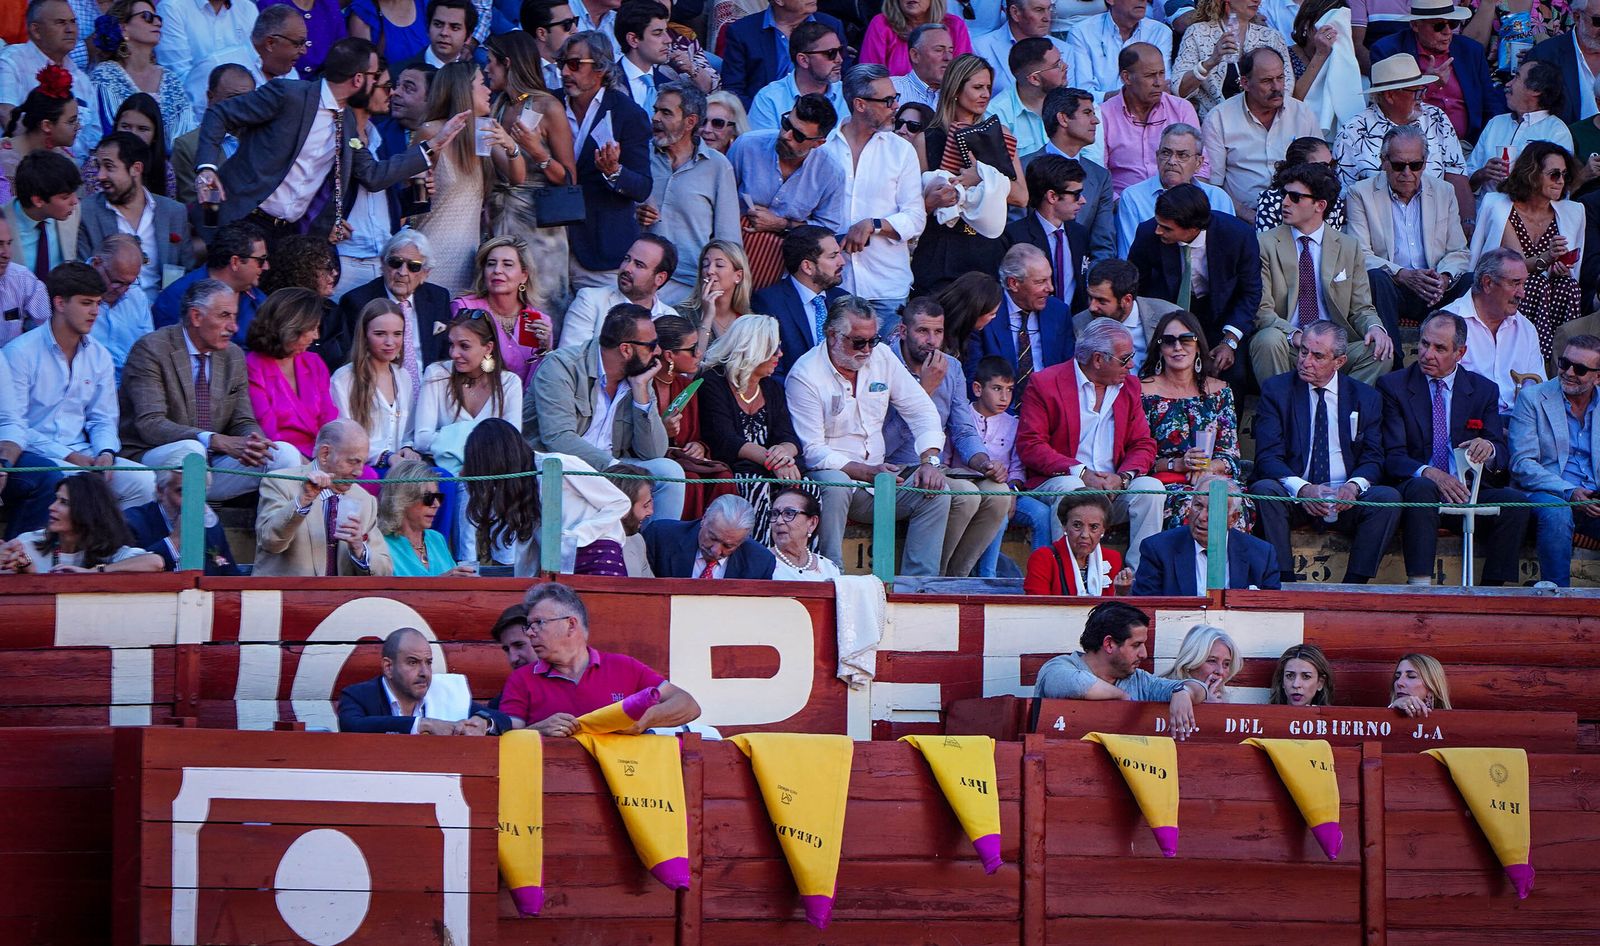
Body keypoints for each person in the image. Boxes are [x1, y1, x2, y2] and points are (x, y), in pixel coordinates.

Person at [193, 37, 467, 243]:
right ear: (358, 79)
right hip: (243, 218)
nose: (389, 89)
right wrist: (207, 167)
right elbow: (219, 114)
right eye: (376, 78)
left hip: (289, 235)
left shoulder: (346, 120)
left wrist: (433, 144)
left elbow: (372, 175)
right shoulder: (288, 94)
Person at [785, 295, 954, 575]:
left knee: (937, 491)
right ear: (832, 336)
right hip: (836, 477)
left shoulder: (882, 356)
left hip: (879, 478)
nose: (867, 349)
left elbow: (921, 409)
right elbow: (812, 450)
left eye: (873, 340)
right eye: (858, 342)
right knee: (836, 483)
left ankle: (919, 584)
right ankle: (831, 574)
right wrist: (862, 471)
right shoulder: (805, 375)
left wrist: (930, 461)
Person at [1378, 311, 1533, 586]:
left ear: (1460, 352)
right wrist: (1433, 474)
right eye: (1425, 344)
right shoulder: (1394, 386)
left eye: (1440, 348)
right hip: (1419, 489)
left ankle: (1493, 593)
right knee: (1423, 487)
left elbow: (1501, 450)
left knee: (1515, 504)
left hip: (1468, 490)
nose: (1428, 354)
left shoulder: (1483, 390)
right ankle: (1420, 585)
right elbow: (1393, 456)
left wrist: (1489, 448)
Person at [120, 279, 302, 500]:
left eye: (235, 316)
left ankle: (275, 532)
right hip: (152, 459)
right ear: (196, 317)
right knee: (191, 451)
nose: (234, 327)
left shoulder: (232, 355)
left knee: (283, 455)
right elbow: (150, 424)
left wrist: (252, 441)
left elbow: (242, 420)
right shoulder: (151, 349)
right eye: (224, 316)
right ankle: (193, 529)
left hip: (212, 463)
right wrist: (212, 439)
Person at [1252, 319, 1403, 585]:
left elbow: (1373, 457)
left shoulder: (1365, 397)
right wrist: (1303, 489)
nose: (1306, 361)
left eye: (1318, 356)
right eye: (1303, 352)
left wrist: (1354, 487)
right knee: (1265, 489)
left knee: (1388, 497)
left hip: (1347, 499)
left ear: (1340, 361)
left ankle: (1354, 586)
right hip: (1296, 496)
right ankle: (1283, 581)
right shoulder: (1276, 391)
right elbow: (1267, 457)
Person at [2, 261, 154, 507]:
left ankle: (117, 545)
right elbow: (15, 426)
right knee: (78, 481)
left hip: (86, 453)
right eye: (86, 303)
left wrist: (105, 452)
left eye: (97, 303)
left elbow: (103, 418)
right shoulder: (19, 353)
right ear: (60, 303)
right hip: (39, 456)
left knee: (143, 481)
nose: (95, 312)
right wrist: (68, 456)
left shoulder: (99, 355)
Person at [1016, 319, 1165, 566]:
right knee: (1071, 488)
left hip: (1114, 488)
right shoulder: (1045, 383)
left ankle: (1139, 579)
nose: (1131, 365)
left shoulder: (1129, 386)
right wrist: (1082, 473)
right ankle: (1067, 575)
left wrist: (1124, 478)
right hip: (1062, 481)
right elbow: (1030, 445)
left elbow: (1143, 443)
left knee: (1151, 490)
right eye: (1125, 358)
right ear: (1097, 359)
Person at [525, 303, 686, 519]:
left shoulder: (639, 375)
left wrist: (640, 393)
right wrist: (616, 469)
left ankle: (654, 546)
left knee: (670, 473)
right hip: (562, 468)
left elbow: (653, 452)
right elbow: (558, 438)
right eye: (652, 345)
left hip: (613, 465)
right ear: (626, 349)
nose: (657, 351)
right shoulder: (562, 366)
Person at [889, 298, 1012, 576]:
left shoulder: (952, 367)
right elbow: (883, 440)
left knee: (999, 494)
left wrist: (983, 462)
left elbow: (963, 428)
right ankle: (935, 579)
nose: (931, 341)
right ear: (902, 331)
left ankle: (956, 576)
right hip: (894, 467)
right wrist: (924, 390)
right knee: (967, 495)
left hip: (936, 467)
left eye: (938, 332)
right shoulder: (885, 363)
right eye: (922, 331)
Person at [1252, 162, 1392, 386]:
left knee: (1380, 349)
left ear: (1320, 205)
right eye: (1284, 194)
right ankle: (1283, 411)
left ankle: (1340, 410)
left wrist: (1375, 327)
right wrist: (1297, 336)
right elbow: (1262, 311)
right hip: (1290, 343)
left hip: (1332, 347)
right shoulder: (1264, 244)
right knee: (1268, 340)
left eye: (1295, 197)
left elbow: (1361, 308)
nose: (1285, 202)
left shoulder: (1349, 247)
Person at [498, 582, 702, 734]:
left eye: (538, 623)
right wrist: (538, 731)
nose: (531, 633)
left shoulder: (624, 667)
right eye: (529, 626)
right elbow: (508, 736)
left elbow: (688, 704)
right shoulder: (521, 679)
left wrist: (643, 720)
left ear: (570, 624)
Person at [820, 64, 928, 336]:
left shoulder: (901, 150)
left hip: (886, 289)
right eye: (888, 101)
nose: (895, 107)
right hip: (831, 286)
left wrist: (874, 224)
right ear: (860, 104)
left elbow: (916, 217)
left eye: (895, 99)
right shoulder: (823, 147)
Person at [1347, 125, 1473, 353]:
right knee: (1376, 278)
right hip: (1392, 286)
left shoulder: (1443, 191)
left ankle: (1461, 365)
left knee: (1471, 281)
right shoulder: (1360, 193)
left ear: (1424, 163)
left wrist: (1443, 278)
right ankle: (1391, 365)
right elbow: (1359, 254)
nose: (1407, 173)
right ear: (1383, 161)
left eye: (1415, 165)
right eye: (1398, 165)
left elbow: (1458, 251)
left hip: (1433, 287)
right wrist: (1402, 274)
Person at [912, 55, 1025, 296]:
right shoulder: (926, 139)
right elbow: (915, 202)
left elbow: (1021, 197)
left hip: (986, 247)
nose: (985, 94)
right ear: (955, 89)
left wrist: (982, 178)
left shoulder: (1000, 135)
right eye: (977, 87)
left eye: (988, 88)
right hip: (939, 251)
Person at [461, 417, 631, 575]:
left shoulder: (559, 463)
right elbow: (530, 547)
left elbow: (619, 502)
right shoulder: (518, 486)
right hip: (556, 568)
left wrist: (575, 537)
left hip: (597, 556)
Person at [483, 31, 577, 313]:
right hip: (499, 217)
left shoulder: (548, 107)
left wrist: (538, 152)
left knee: (542, 304)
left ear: (508, 63)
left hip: (540, 226)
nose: (486, 69)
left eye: (491, 62)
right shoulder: (497, 106)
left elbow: (570, 179)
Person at [1127, 184, 1260, 384]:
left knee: (1233, 373)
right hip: (1165, 316)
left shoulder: (1238, 236)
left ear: (1193, 228)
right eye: (1158, 223)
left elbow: (1250, 292)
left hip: (1221, 316)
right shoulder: (1148, 234)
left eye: (1167, 228)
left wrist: (1229, 341)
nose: (1158, 231)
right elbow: (1136, 285)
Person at [1468, 141, 1585, 361]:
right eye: (1553, 174)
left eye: (1564, 175)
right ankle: (1530, 359)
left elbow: (1574, 271)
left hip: (1551, 291)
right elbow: (1515, 266)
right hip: (1504, 285)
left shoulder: (1574, 211)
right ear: (1532, 174)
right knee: (1533, 283)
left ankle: (1565, 361)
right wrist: (1547, 258)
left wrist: (1561, 269)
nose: (1560, 181)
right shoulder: (1500, 207)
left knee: (1569, 287)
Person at [1032, 601, 1208, 740]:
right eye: (1136, 645)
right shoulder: (1058, 667)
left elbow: (1199, 689)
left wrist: (1183, 691)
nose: (1144, 654)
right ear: (1109, 644)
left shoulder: (1140, 680)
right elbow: (1076, 684)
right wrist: (1121, 696)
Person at [558, 31, 652, 290]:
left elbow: (642, 186)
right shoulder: (548, 104)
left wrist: (614, 172)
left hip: (601, 252)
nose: (565, 72)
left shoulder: (628, 114)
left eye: (575, 64)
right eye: (562, 64)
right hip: (549, 243)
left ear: (600, 68)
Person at [409, 62, 515, 293]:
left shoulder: (481, 132)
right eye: (481, 84)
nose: (489, 90)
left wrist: (511, 146)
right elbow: (411, 198)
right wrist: (421, 187)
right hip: (432, 251)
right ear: (462, 90)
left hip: (468, 259)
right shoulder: (430, 131)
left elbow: (516, 176)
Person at [1139, 309, 1248, 528]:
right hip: (1167, 485)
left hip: (1212, 480)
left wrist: (1207, 469)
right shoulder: (1142, 392)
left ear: (1198, 345)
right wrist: (1179, 464)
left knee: (1236, 506)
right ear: (1159, 349)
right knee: (1190, 506)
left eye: (1186, 339)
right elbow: (1138, 457)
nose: (1178, 347)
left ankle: (1227, 563)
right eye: (1168, 341)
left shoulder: (1221, 391)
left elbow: (1231, 456)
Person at [697, 313, 804, 530]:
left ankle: (798, 559)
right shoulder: (713, 382)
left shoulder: (771, 387)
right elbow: (725, 440)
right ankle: (759, 558)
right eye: (774, 349)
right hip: (736, 469)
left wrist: (784, 454)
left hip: (770, 468)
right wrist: (773, 461)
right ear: (753, 349)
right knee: (755, 485)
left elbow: (788, 436)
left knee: (807, 488)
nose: (780, 355)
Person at [727, 96, 847, 289]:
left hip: (782, 269)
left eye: (798, 135)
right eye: (786, 124)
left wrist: (781, 224)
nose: (785, 135)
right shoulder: (747, 146)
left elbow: (826, 229)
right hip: (732, 253)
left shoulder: (831, 172)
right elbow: (720, 201)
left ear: (818, 143)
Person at [1511, 334, 1600, 587]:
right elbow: (1522, 464)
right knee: (1557, 512)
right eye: (1564, 364)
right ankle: (1558, 598)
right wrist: (1570, 491)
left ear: (1598, 376)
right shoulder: (1532, 399)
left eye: (1580, 369)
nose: (1569, 372)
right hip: (1547, 492)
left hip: (1593, 496)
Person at [253, 418, 394, 576]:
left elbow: (384, 570)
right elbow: (270, 542)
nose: (359, 472)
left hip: (341, 600)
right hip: (284, 598)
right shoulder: (280, 482)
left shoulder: (365, 500)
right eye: (353, 462)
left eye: (362, 463)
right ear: (325, 454)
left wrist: (360, 549)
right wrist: (302, 502)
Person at [1331, 53, 1469, 210]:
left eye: (1423, 89)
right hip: (1377, 222)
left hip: (1435, 216)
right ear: (1390, 95)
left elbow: (1456, 173)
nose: (1423, 97)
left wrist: (1466, 221)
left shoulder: (1436, 118)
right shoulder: (1352, 133)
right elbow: (1342, 195)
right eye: (1416, 92)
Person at [1199, 48, 1320, 223]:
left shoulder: (1302, 114)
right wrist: (1247, 214)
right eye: (1267, 81)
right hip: (1242, 218)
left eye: (1280, 78)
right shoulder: (1219, 119)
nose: (1277, 87)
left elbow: (1320, 171)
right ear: (1245, 83)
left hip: (1299, 215)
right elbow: (1213, 186)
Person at [331, 229, 454, 396]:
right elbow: (352, 358)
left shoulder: (439, 298)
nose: (403, 272)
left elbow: (446, 354)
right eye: (395, 262)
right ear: (382, 263)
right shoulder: (357, 302)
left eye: (413, 266)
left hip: (431, 392)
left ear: (425, 273)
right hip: (377, 393)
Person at [1369, 0, 1502, 145]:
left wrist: (1490, 145)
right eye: (1439, 26)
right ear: (1415, 25)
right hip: (1411, 147)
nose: (1448, 31)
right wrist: (1428, 85)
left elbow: (1491, 104)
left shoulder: (1470, 51)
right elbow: (1389, 106)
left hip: (1468, 145)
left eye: (1452, 24)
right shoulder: (1389, 50)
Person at [336, 627, 507, 735]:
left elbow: (502, 719)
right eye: (413, 662)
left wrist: (485, 722)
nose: (425, 672)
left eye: (428, 662)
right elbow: (352, 725)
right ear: (388, 667)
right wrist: (422, 725)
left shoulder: (444, 691)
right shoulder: (358, 696)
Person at [1131, 473, 1281, 593]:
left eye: (1213, 509)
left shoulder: (1262, 555)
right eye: (1198, 505)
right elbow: (1147, 612)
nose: (1202, 517)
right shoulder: (1158, 549)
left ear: (1233, 519)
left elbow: (1270, 615)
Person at [412, 311, 522, 469]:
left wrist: (448, 438)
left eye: (464, 346)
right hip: (445, 473)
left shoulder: (509, 383)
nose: (454, 354)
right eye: (451, 345)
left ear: (488, 348)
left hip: (493, 474)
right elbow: (422, 440)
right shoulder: (436, 373)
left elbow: (512, 441)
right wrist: (487, 441)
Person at [965, 243, 1075, 400]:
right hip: (997, 411)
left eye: (1050, 279)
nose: (1050, 288)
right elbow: (974, 377)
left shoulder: (1058, 312)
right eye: (1040, 282)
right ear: (1013, 283)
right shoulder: (985, 312)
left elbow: (1068, 370)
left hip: (1047, 407)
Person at [86, 0, 195, 153]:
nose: (157, 22)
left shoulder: (170, 79)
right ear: (123, 28)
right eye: (147, 16)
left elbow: (186, 136)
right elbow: (105, 132)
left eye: (158, 18)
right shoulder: (105, 74)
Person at [245, 287, 339, 465]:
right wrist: (310, 466)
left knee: (370, 478)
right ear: (291, 328)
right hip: (282, 457)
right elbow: (268, 430)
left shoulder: (314, 362)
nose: (316, 336)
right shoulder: (253, 366)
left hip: (323, 454)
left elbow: (329, 418)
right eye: (312, 328)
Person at [1447, 249, 1546, 415]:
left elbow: (1537, 390)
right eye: (1515, 283)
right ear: (1488, 283)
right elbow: (1442, 394)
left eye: (1523, 284)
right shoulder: (1449, 323)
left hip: (1518, 424)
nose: (1522, 293)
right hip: (1470, 425)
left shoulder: (1526, 328)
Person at [0, 473, 162, 573]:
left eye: (64, 502)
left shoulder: (109, 552)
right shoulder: (29, 544)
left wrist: (94, 572)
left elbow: (155, 563)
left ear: (87, 511)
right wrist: (23, 567)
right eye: (55, 499)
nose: (51, 507)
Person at [1101, 42, 1206, 196]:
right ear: (1126, 77)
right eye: (1150, 75)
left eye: (1162, 74)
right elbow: (1098, 175)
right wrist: (1122, 204)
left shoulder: (1181, 109)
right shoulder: (1104, 114)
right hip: (1124, 205)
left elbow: (1201, 167)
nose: (1159, 83)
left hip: (1180, 202)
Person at [1112, 122, 1233, 256]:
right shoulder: (1134, 197)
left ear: (1199, 163)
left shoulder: (1218, 198)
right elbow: (1129, 257)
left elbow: (1229, 253)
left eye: (1182, 155)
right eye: (1166, 153)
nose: (1172, 161)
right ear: (1157, 157)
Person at [451, 236, 555, 387]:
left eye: (507, 264)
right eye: (491, 264)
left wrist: (545, 349)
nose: (497, 270)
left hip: (523, 406)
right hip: (475, 399)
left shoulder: (536, 320)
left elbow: (538, 382)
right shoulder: (466, 309)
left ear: (524, 276)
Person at [1172, 0, 1295, 124]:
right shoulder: (1197, 33)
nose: (1257, 0)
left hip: (1265, 124)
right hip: (1214, 126)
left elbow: (1287, 87)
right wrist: (1211, 62)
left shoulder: (1272, 37)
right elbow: (1179, 91)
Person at [1030, 88, 1114, 262]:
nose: (1096, 120)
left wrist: (1089, 286)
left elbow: (1103, 247)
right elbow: (1015, 235)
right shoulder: (1023, 168)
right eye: (1087, 113)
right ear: (1063, 118)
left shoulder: (1100, 177)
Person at [755, 225, 847, 378]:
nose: (842, 261)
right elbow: (769, 371)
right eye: (833, 256)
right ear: (807, 267)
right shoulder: (769, 302)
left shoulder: (844, 300)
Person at [1468, 60, 1573, 191]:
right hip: (1486, 209)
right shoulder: (1496, 123)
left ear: (1536, 89)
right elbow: (1466, 176)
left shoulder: (1556, 132)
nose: (1508, 84)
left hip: (1530, 211)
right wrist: (1483, 173)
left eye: (1516, 77)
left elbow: (1556, 187)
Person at [1001, 155, 1087, 314]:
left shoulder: (1079, 234)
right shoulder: (1014, 237)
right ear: (1052, 196)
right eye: (1076, 194)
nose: (1083, 200)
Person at [152, 222, 268, 340]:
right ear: (235, 262)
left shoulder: (258, 299)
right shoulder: (177, 299)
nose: (266, 267)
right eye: (261, 260)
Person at [558, 236, 679, 348]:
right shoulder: (590, 301)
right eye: (627, 259)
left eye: (639, 265)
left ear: (660, 278)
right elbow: (569, 360)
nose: (627, 268)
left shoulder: (670, 318)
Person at [719, 0, 846, 106]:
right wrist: (762, 113)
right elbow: (733, 90)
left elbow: (844, 77)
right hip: (763, 118)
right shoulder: (742, 32)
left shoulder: (832, 25)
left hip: (824, 115)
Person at [0, 2, 92, 143]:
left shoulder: (83, 80)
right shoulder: (11, 61)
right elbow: (7, 116)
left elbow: (94, 136)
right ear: (36, 30)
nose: (70, 29)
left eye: (73, 22)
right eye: (60, 22)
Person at [181, 6, 300, 115]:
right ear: (270, 43)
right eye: (298, 44)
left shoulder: (291, 74)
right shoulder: (215, 64)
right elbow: (190, 123)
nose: (304, 50)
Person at [1071, 259, 1180, 375]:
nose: (1092, 307)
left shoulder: (1169, 316)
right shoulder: (1080, 324)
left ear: (1126, 300)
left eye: (1101, 301)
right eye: (1090, 297)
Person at [123, 468, 241, 574]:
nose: (193, 502)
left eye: (199, 492)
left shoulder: (211, 527)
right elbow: (123, 573)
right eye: (183, 492)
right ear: (160, 490)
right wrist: (175, 540)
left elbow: (230, 576)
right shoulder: (133, 521)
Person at [0, 64, 82, 207]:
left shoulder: (66, 158)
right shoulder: (4, 161)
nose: (78, 126)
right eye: (71, 121)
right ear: (47, 126)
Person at [643, 493, 778, 578]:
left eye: (728, 545)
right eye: (712, 538)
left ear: (743, 540)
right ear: (704, 519)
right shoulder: (661, 537)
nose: (715, 550)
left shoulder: (760, 562)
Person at [1023, 491, 1133, 594]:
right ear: (1064, 526)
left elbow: (1111, 610)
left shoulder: (1112, 558)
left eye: (1094, 527)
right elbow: (1037, 609)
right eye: (1077, 525)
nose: (1085, 534)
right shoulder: (1043, 558)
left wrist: (1119, 593)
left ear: (1103, 530)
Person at [747, 21, 850, 129]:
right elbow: (763, 145)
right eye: (831, 53)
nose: (839, 59)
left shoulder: (849, 94)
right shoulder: (769, 100)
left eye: (840, 51)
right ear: (803, 60)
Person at [1064, 0, 1172, 102]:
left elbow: (1162, 85)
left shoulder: (1160, 32)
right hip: (1098, 115)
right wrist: (1128, 95)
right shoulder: (1082, 32)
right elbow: (1082, 93)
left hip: (1149, 111)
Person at [378, 457, 471, 573]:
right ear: (403, 499)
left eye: (439, 497)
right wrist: (440, 583)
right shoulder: (381, 544)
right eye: (429, 498)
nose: (436, 504)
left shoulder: (437, 539)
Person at [984, 37, 1066, 158]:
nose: (1065, 66)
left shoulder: (1074, 102)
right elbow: (1003, 170)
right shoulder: (996, 114)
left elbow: (1091, 160)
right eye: (1057, 65)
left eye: (1061, 60)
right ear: (1034, 79)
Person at [969, 0, 1066, 99]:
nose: (1048, 18)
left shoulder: (1064, 49)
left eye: (1049, 9)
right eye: (1039, 10)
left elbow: (1069, 97)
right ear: (1015, 12)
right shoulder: (980, 48)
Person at [85, 233, 149, 379]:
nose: (123, 289)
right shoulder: (71, 292)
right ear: (96, 264)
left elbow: (148, 349)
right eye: (118, 282)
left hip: (132, 383)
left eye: (130, 283)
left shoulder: (137, 296)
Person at [10, 150, 81, 282]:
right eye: (65, 197)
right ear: (38, 201)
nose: (75, 201)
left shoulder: (72, 213)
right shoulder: (4, 222)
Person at [155, 0, 259, 89]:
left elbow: (258, 65)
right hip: (195, 104)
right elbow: (178, 76)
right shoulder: (172, 7)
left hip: (247, 100)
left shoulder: (247, 7)